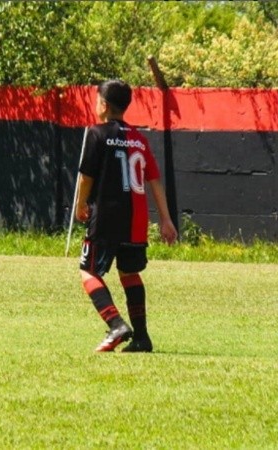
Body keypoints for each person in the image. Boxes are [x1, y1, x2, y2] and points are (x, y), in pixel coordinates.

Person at [75, 79, 177, 352]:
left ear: (104, 105)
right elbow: (154, 180)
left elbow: (86, 177)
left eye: (97, 99)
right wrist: (166, 219)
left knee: (89, 271)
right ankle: (142, 338)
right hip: (136, 219)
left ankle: (116, 324)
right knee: (130, 273)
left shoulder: (95, 133)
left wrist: (80, 205)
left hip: (107, 215)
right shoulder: (140, 139)